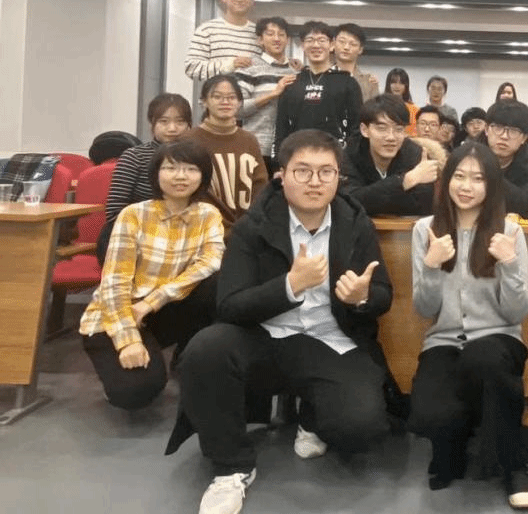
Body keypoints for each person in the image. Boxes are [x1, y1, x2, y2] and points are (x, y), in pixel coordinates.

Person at [166, 130, 393, 514]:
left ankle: (311, 415)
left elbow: (383, 292)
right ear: (281, 176)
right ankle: (231, 468)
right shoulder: (252, 226)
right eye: (303, 171)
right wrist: (290, 286)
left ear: (338, 177)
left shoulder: (355, 222)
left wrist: (362, 298)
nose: (315, 182)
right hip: (265, 336)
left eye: (326, 172)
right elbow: (229, 306)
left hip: (329, 338)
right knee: (205, 349)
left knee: (360, 429)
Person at [408, 143, 528, 509]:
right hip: (444, 341)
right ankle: (467, 435)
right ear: (447, 179)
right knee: (428, 416)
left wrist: (509, 265)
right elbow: (424, 308)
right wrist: (431, 266)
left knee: (484, 360)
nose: (466, 186)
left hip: (498, 340)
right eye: (459, 176)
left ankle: (517, 460)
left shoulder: (509, 232)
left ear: (492, 185)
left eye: (478, 179)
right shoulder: (425, 230)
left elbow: (516, 313)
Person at [80, 140, 223, 410]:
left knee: (217, 284)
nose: (181, 176)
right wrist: (128, 341)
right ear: (156, 174)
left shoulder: (208, 215)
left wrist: (151, 302)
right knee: (134, 391)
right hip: (118, 314)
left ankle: (188, 359)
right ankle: (125, 360)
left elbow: (210, 262)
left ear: (203, 175)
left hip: (160, 310)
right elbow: (114, 284)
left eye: (191, 169)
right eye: (171, 168)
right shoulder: (134, 215)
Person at [102, 93, 193, 263]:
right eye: (164, 122)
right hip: (132, 238)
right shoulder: (135, 156)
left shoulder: (197, 158)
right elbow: (114, 211)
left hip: (184, 237)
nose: (172, 128)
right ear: (152, 123)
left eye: (180, 122)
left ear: (189, 125)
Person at [184, 75, 268, 234]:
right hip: (201, 229)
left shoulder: (249, 140)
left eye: (231, 97)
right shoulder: (189, 140)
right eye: (217, 97)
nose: (225, 102)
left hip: (245, 232)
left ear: (240, 103)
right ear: (204, 102)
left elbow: (260, 186)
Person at [340, 94, 440, 217]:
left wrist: (371, 198)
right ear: (364, 130)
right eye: (382, 129)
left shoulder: (416, 154)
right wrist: (405, 181)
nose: (391, 137)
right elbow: (348, 202)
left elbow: (422, 207)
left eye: (399, 129)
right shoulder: (349, 155)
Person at [274, 21, 363, 156]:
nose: (316, 45)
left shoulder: (348, 82)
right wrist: (278, 161)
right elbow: (281, 127)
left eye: (322, 40)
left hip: (335, 156)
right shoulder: (291, 82)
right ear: (303, 45)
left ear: (332, 45)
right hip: (298, 155)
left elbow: (356, 127)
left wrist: (350, 161)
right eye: (310, 40)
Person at [235, 16, 298, 171]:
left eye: (281, 34)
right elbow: (237, 109)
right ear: (260, 40)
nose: (276, 38)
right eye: (270, 34)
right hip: (255, 147)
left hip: (287, 149)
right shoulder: (248, 68)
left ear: (287, 40)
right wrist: (273, 94)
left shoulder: (296, 72)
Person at [184, 0, 262, 82]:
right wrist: (230, 65)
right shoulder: (207, 30)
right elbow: (191, 68)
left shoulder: (259, 33)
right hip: (216, 92)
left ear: (252, 0)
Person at [484, 99, 528, 218]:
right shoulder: (469, 157)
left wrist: (492, 175)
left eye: (513, 131)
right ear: (486, 129)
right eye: (498, 127)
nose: (504, 136)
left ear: (524, 138)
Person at [333, 23, 379, 102]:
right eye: (342, 42)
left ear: (360, 49)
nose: (346, 47)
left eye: (353, 44)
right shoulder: (322, 76)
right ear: (333, 43)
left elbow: (374, 109)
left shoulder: (369, 82)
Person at [385, 67, 418, 135]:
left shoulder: (414, 109)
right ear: (388, 84)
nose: (397, 86)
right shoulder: (381, 106)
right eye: (394, 82)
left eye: (401, 83)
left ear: (406, 86)